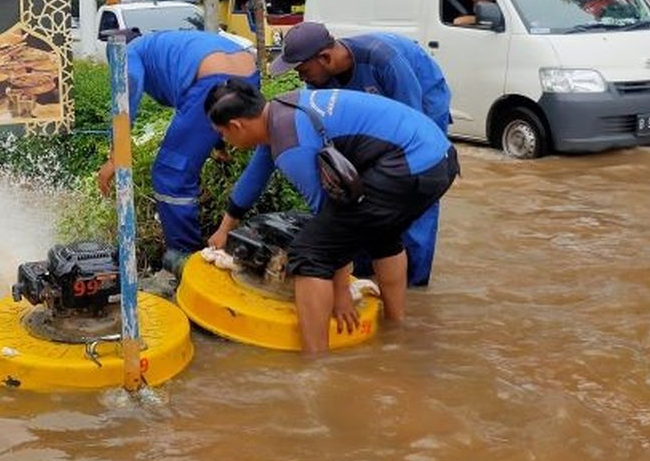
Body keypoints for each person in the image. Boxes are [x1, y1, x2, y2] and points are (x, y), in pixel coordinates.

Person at [205, 81, 458, 353]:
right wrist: (225, 228)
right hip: (439, 158)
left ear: (237, 126)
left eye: (222, 134)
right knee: (381, 232)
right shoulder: (280, 110)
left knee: (311, 252)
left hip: (410, 165)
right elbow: (255, 177)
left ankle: (317, 364)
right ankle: (396, 330)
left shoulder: (292, 145)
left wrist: (341, 294)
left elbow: (331, 216)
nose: (226, 143)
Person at [268, 21, 451, 287]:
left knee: (414, 184)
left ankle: (413, 280)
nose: (301, 78)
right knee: (364, 189)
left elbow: (411, 126)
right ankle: (364, 269)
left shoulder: (385, 62)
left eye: (303, 70)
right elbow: (322, 134)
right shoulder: (320, 82)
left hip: (422, 100)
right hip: (377, 115)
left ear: (326, 58)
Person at [95, 29, 260, 273]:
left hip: (211, 80)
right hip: (248, 75)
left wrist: (115, 155)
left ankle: (186, 261)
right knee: (184, 164)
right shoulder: (163, 44)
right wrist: (218, 142)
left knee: (170, 173)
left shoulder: (131, 52)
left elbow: (128, 87)